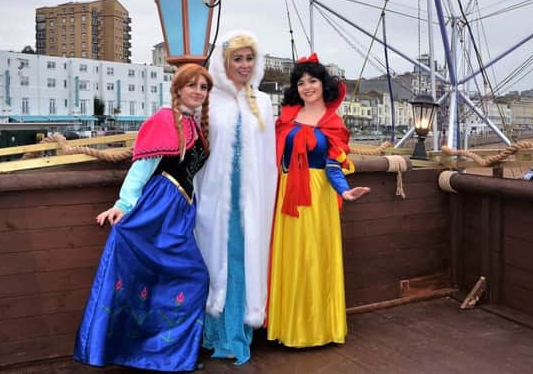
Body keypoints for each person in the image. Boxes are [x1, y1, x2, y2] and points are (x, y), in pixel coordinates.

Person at [74, 64, 213, 372]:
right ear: (177, 88)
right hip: (158, 210)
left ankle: (168, 353)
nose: (197, 92)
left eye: (203, 88)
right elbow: (141, 168)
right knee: (193, 277)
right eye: (191, 85)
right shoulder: (165, 120)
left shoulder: (193, 123)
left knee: (183, 278)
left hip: (179, 212)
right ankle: (164, 354)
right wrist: (123, 204)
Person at [266, 53, 370, 348]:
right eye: (301, 82)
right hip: (287, 194)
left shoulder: (333, 123)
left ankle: (317, 330)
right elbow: (270, 156)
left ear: (323, 85)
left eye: (312, 80)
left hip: (318, 195)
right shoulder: (285, 118)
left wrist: (344, 191)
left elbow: (334, 163)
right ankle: (288, 328)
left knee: (315, 258)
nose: (307, 86)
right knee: (290, 258)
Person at [194, 30, 277, 365]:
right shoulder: (209, 100)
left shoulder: (266, 102)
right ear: (224, 62)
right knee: (214, 262)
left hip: (251, 201)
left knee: (243, 262)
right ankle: (211, 335)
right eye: (237, 59)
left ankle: (236, 336)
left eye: (249, 58)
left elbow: (268, 156)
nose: (244, 65)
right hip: (214, 199)